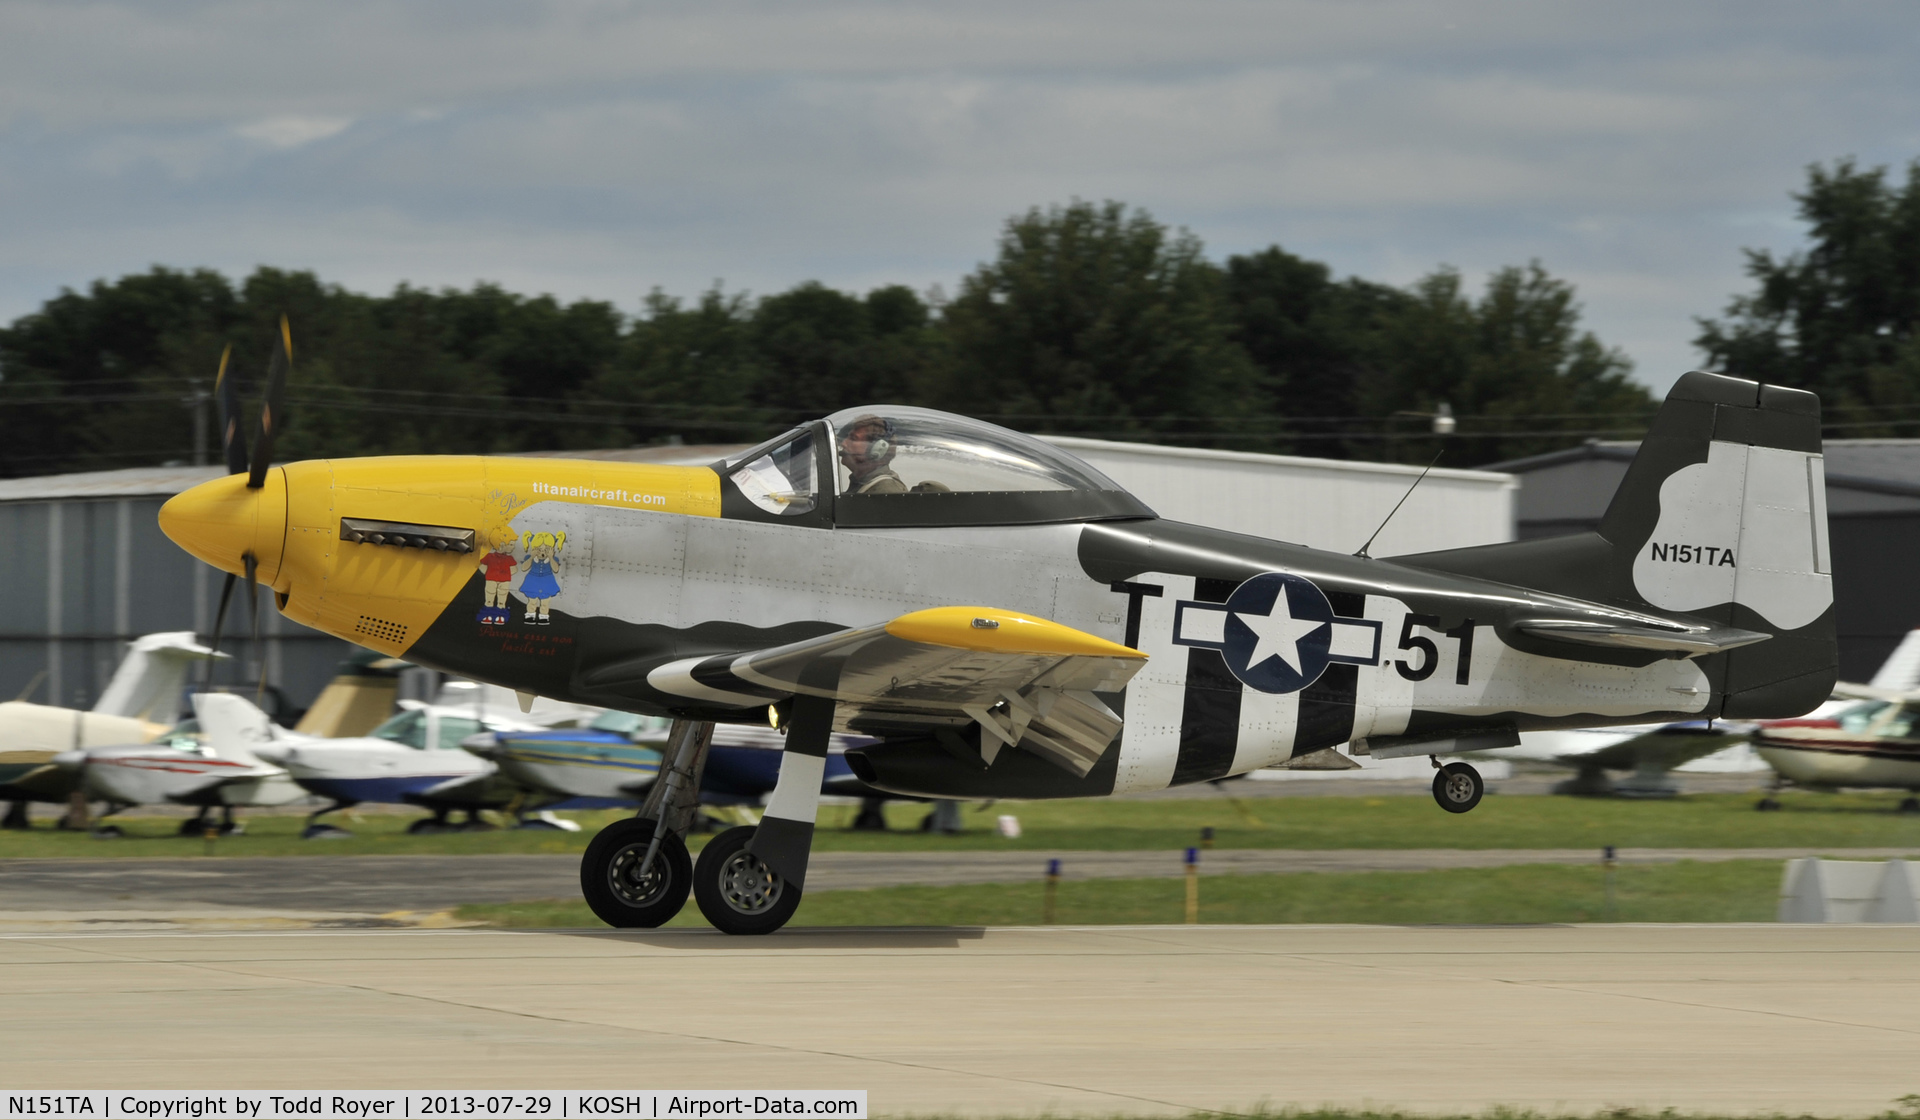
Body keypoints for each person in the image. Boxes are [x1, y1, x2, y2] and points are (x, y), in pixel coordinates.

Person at [837, 414, 907, 494]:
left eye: (853, 438)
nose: (843, 443)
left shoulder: (886, 492)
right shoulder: (862, 484)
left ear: (877, 449)